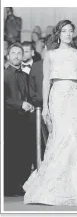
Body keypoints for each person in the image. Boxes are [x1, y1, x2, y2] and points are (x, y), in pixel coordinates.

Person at [23, 20, 77, 206]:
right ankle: (53, 186)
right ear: (58, 33)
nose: (67, 34)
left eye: (70, 31)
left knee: (75, 135)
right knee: (60, 136)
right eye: (64, 31)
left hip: (74, 95)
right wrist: (45, 107)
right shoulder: (50, 54)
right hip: (57, 94)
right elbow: (45, 82)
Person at [4, 43, 34, 197]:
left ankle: (21, 184)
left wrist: (32, 105)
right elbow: (4, 98)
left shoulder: (26, 75)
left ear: (23, 56)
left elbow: (30, 96)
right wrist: (20, 104)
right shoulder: (3, 74)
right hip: (9, 119)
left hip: (25, 120)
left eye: (19, 53)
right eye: (13, 53)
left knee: (24, 153)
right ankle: (9, 187)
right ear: (8, 55)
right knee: (10, 153)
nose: (16, 56)